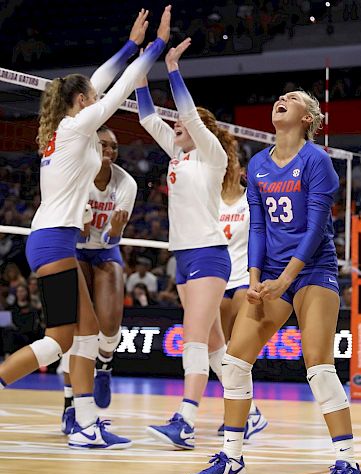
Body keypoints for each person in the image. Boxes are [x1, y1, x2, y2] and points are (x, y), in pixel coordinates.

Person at [0, 6, 171, 450]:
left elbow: (97, 78)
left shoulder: (65, 126)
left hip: (52, 239)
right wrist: (155, 47)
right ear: (82, 102)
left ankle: (86, 424)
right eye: (90, 97)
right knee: (60, 339)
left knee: (88, 332)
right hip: (55, 240)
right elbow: (114, 90)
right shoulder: (78, 126)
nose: (96, 100)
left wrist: (131, 44)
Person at [187, 89, 361, 474]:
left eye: (293, 98)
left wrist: (285, 281)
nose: (281, 99)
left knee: (319, 366)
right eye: (280, 97)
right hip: (269, 273)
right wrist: (253, 278)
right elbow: (259, 228)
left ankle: (350, 466)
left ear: (308, 118)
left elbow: (316, 228)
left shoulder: (317, 160)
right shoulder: (258, 164)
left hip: (312, 271)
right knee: (233, 363)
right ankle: (231, 460)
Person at [136, 37, 236, 450]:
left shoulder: (212, 155)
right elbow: (145, 117)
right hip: (184, 256)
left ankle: (186, 420)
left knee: (193, 338)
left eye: (180, 124)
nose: (174, 125)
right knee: (214, 346)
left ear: (199, 130)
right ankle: (251, 411)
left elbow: (189, 114)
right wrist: (140, 73)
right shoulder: (178, 156)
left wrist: (173, 68)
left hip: (209, 255)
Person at [60, 126, 137, 435]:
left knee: (109, 325)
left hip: (106, 250)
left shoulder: (126, 183)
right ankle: (69, 406)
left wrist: (112, 230)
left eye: (114, 146)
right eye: (103, 144)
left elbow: (111, 237)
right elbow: (77, 232)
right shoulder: (75, 177)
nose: (109, 150)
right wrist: (84, 225)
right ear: (91, 147)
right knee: (76, 332)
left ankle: (104, 363)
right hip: (74, 250)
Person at [218, 149, 267, 440]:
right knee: (220, 354)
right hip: (216, 278)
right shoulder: (209, 200)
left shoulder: (252, 200)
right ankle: (252, 412)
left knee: (237, 352)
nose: (226, 168)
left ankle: (245, 417)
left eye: (231, 163)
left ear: (241, 170)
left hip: (242, 278)